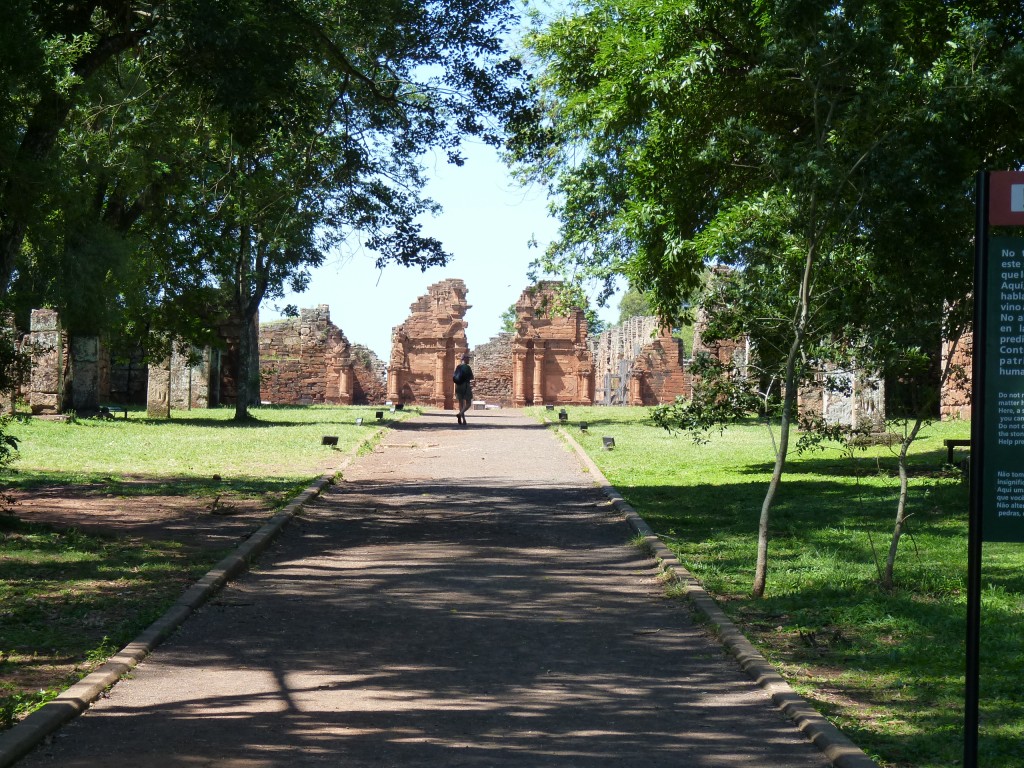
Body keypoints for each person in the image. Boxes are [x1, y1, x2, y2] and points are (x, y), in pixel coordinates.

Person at [453, 352, 474, 425]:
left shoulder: (458, 366)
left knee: (461, 403)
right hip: (465, 385)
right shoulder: (467, 367)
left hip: (458, 386)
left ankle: (464, 420)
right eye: (468, 358)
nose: (469, 360)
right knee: (468, 403)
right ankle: (460, 414)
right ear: (464, 359)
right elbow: (471, 377)